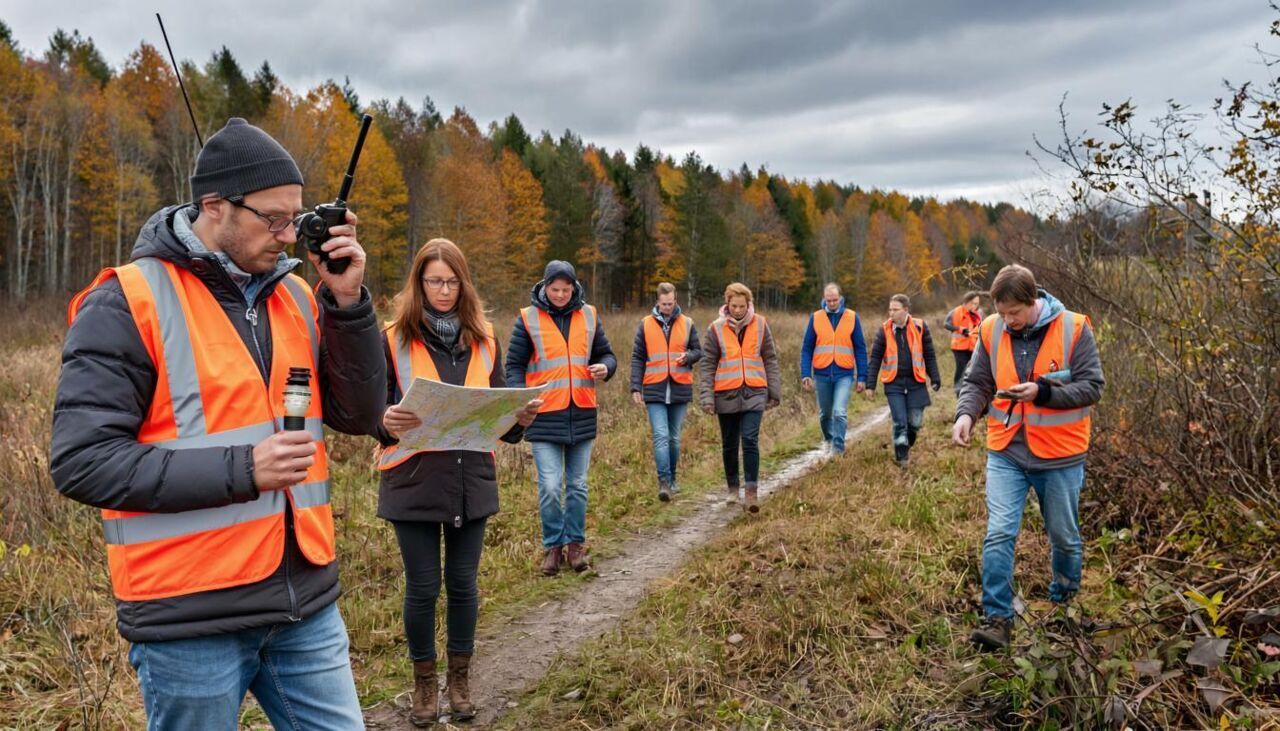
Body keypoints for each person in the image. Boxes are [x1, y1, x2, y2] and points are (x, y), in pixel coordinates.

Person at [50, 118, 384, 729]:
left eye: (297, 219)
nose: (288, 236)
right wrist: (245, 469)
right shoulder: (127, 301)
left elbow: (358, 414)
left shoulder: (297, 297)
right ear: (214, 207)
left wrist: (347, 303)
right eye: (273, 220)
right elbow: (82, 461)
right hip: (188, 620)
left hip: (303, 606)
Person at [375, 239, 541, 725]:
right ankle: (425, 685)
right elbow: (372, 411)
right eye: (434, 281)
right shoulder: (391, 338)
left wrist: (520, 417)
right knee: (423, 587)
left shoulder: (486, 337)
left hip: (472, 478)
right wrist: (384, 420)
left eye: (452, 281)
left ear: (464, 283)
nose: (444, 290)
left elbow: (500, 420)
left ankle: (461, 679)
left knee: (464, 585)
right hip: (413, 478)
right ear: (418, 283)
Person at [953, 264, 1104, 651]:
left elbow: (1092, 387)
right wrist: (967, 414)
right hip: (1006, 451)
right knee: (1000, 531)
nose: (1008, 321)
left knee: (1064, 538)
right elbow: (978, 381)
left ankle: (1064, 604)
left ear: (1033, 301)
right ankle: (997, 618)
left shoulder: (1074, 328)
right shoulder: (991, 329)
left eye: (1014, 314)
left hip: (1060, 456)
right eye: (1002, 313)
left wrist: (1043, 392)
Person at [506, 260, 617, 576]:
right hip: (543, 416)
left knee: (578, 486)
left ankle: (576, 547)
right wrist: (519, 397)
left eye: (566, 290)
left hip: (581, 413)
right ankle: (553, 546)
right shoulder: (528, 320)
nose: (560, 295)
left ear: (574, 288)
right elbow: (513, 366)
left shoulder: (589, 315)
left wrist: (606, 368)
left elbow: (607, 355)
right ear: (544, 287)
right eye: (554, 289)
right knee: (551, 486)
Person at [698, 282, 782, 513]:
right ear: (727, 304)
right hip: (726, 393)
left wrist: (774, 391)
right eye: (734, 306)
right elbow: (707, 365)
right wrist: (707, 397)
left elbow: (770, 358)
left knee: (750, 440)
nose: (738, 310)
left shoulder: (761, 324)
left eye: (742, 306)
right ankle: (733, 488)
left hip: (755, 391)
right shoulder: (715, 329)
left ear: (749, 304)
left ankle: (751, 491)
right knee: (729, 443)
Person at [630, 282, 702, 501]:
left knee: (674, 438)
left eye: (670, 304)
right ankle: (664, 483)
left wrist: (688, 357)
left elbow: (698, 350)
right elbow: (638, 358)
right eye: (663, 304)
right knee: (660, 436)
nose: (667, 308)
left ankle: (672, 479)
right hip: (654, 388)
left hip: (679, 387)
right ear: (657, 302)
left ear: (676, 301)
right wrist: (635, 387)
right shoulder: (645, 324)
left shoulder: (688, 323)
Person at [865, 294, 942, 468]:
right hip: (894, 382)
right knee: (900, 422)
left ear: (906, 310)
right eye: (889, 309)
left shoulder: (921, 327)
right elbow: (876, 358)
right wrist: (870, 385)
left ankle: (905, 443)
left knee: (914, 422)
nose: (891, 313)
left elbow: (929, 355)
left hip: (916, 381)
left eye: (895, 309)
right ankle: (902, 459)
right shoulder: (883, 330)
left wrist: (935, 378)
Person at [800, 282, 868, 455]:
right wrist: (806, 373)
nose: (831, 303)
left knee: (839, 412)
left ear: (841, 298)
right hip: (821, 374)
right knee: (825, 415)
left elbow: (860, 348)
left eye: (834, 300)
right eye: (828, 300)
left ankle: (838, 449)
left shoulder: (852, 317)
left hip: (844, 374)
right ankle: (829, 439)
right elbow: (807, 348)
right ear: (824, 299)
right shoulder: (816, 317)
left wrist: (862, 377)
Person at [943, 291, 984, 392]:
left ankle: (970, 389)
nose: (976, 306)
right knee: (961, 368)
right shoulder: (955, 312)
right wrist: (960, 329)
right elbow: (946, 325)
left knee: (972, 368)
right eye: (973, 303)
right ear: (966, 302)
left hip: (973, 346)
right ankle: (958, 388)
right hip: (959, 346)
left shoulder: (979, 313)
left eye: (977, 303)